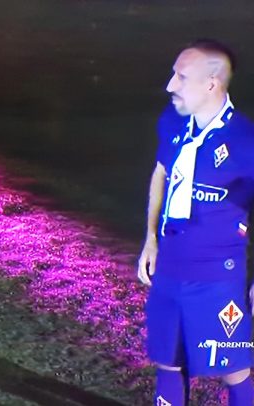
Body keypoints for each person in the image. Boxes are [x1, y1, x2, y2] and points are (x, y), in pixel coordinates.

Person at [138, 39, 254, 405]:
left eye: (181, 77)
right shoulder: (172, 121)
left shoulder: (245, 141)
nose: (170, 85)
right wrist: (150, 239)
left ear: (211, 83)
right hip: (170, 266)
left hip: (218, 276)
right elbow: (160, 172)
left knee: (233, 368)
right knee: (167, 360)